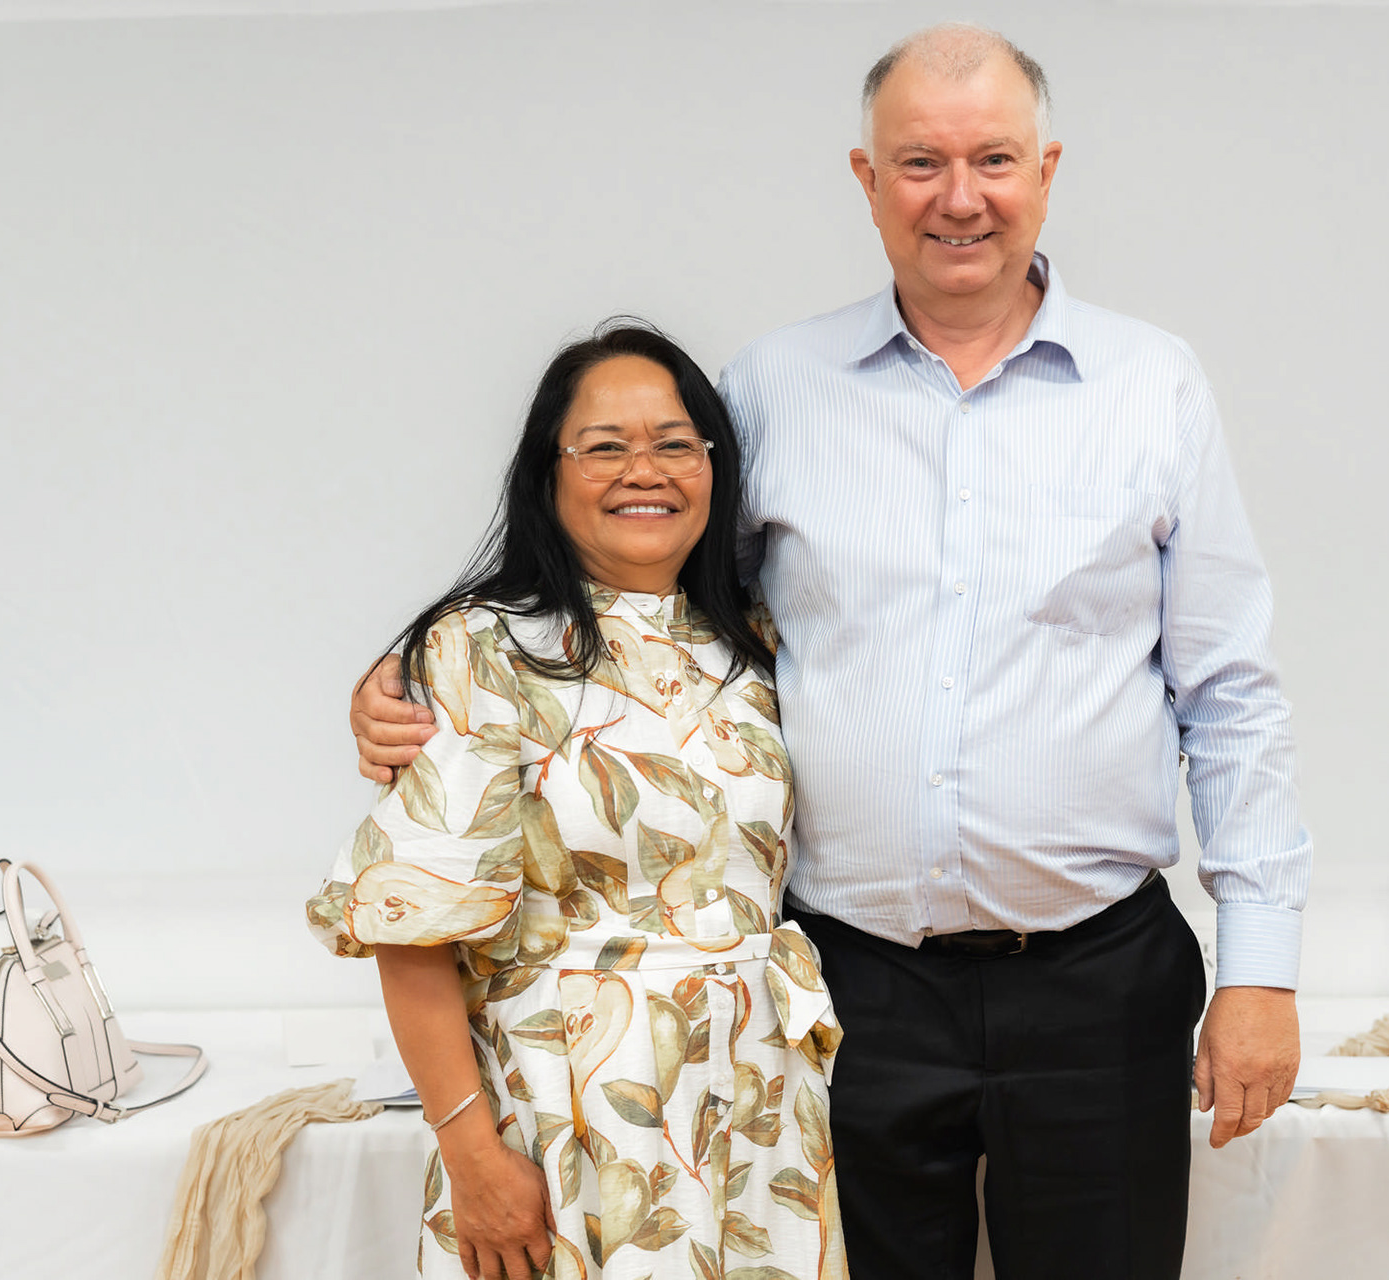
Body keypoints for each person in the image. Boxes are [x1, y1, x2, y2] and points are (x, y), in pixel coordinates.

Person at [353, 24, 1308, 1280]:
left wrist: (1262, 970)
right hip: (844, 993)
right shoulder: (773, 390)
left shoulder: (1153, 385)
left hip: (1100, 980)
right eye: (919, 162)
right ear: (866, 179)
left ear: (1046, 169)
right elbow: (653, 592)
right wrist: (416, 676)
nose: (959, 197)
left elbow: (1230, 695)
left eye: (993, 159)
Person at [310, 322, 846, 1280]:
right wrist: (472, 1157)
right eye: (604, 447)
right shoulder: (483, 649)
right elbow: (412, 925)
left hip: (759, 1103)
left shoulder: (756, 643)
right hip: (571, 1105)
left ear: (715, 468)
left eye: (675, 443)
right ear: (546, 475)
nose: (645, 471)